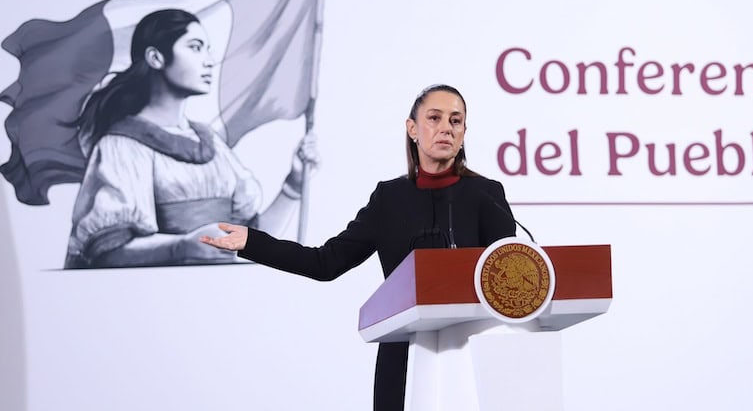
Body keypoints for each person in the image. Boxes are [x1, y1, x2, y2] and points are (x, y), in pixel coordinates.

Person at [201, 83, 517, 411]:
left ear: (464, 131)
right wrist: (253, 242)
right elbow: (325, 263)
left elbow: (510, 281)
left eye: (455, 121)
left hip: (468, 353)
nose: (445, 129)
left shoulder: (485, 194)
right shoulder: (389, 198)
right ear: (412, 129)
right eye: (434, 118)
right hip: (402, 354)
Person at [65, 8, 316, 269]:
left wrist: (293, 185)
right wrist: (181, 247)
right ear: (155, 57)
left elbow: (253, 244)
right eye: (195, 48)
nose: (209, 61)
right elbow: (108, 252)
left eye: (208, 49)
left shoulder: (213, 145)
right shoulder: (121, 146)